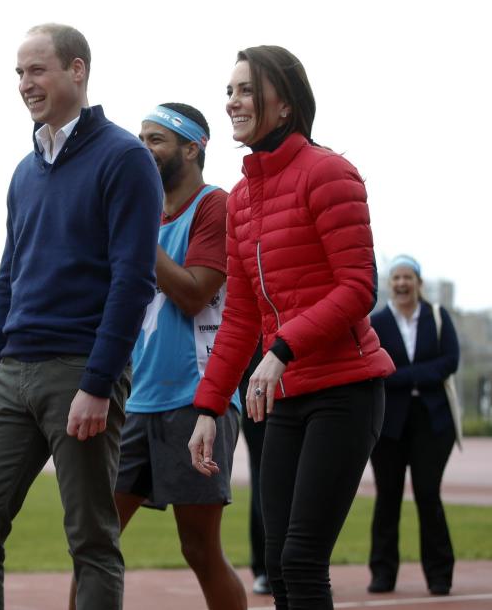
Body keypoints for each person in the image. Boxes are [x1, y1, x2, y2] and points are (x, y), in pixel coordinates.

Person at [0, 24, 163, 610]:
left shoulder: (124, 158)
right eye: (19, 73)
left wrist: (97, 384)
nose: (25, 84)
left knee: (92, 538)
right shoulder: (24, 170)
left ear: (77, 70)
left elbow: (133, 281)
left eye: (36, 70)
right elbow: (5, 282)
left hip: (80, 371)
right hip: (12, 374)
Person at [187, 45, 395, 610]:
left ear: (285, 105)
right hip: (286, 399)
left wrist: (282, 348)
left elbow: (357, 288)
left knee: (302, 561)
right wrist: (208, 409)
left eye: (247, 89)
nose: (233, 101)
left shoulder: (329, 173)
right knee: (278, 565)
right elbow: (240, 317)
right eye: (229, 90)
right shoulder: (240, 200)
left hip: (346, 392)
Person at [67, 102, 243, 610]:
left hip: (196, 400)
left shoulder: (215, 206)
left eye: (156, 139)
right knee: (94, 544)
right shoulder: (139, 213)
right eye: (140, 138)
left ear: (193, 148)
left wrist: (137, 234)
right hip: (133, 399)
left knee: (199, 548)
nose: (143, 148)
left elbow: (193, 294)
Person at [368, 255, 460, 596]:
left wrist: (401, 376)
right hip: (389, 424)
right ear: (390, 284)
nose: (402, 283)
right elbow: (374, 366)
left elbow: (450, 361)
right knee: (387, 497)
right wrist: (417, 375)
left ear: (419, 283)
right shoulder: (376, 323)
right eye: (396, 278)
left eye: (408, 277)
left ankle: (439, 576)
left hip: (432, 422)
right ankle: (382, 574)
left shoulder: (438, 318)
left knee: (427, 494)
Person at [236, 342, 269, 596]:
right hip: (258, 406)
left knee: (306, 488)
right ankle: (265, 569)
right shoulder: (258, 309)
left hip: (303, 398)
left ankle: (306, 564)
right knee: (264, 482)